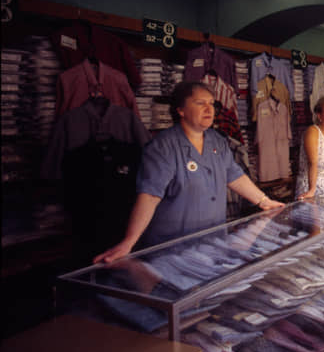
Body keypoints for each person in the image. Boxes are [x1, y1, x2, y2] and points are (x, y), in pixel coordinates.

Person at [93, 82, 284, 263]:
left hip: (212, 241)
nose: (209, 109)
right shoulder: (162, 146)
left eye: (211, 103)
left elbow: (234, 176)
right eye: (200, 103)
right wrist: (129, 241)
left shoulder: (217, 141)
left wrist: (264, 201)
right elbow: (149, 196)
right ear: (180, 110)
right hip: (172, 247)